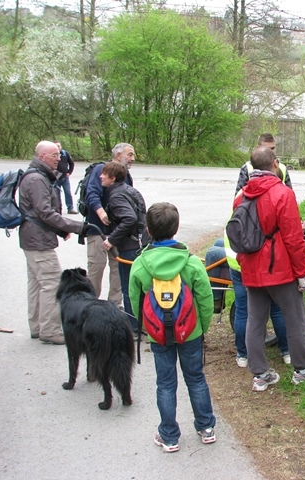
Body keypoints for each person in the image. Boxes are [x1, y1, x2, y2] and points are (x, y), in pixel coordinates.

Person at [236, 146, 305, 391]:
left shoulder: (241, 195)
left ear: (252, 167)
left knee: (255, 321)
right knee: (296, 320)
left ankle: (260, 375)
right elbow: (293, 238)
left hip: (251, 268)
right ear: (275, 164)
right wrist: (302, 274)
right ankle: (302, 370)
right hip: (280, 270)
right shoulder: (282, 193)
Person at [129, 202, 216, 453]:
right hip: (190, 332)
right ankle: (206, 427)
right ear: (176, 229)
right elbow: (206, 301)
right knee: (196, 378)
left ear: (147, 229)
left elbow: (135, 302)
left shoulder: (140, 265)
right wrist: (201, 328)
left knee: (165, 383)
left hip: (159, 335)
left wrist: (148, 328)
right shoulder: (191, 263)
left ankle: (169, 436)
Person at [18, 141, 87, 344]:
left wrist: (60, 229)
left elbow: (40, 213)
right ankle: (49, 330)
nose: (59, 158)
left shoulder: (35, 176)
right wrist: (77, 227)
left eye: (59, 154)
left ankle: (38, 326)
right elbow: (45, 213)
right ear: (42, 157)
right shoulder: (37, 179)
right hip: (38, 240)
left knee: (37, 282)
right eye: (55, 155)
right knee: (51, 283)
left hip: (33, 237)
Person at [205, 239, 290, 367]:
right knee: (276, 308)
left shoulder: (238, 217)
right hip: (269, 261)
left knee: (242, 309)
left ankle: (243, 355)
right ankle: (286, 352)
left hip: (243, 263)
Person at [101, 161, 148, 334]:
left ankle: (133, 326)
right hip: (142, 244)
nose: (101, 176)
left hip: (129, 248)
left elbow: (129, 218)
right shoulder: (131, 190)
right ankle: (143, 323)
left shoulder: (116, 196)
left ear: (113, 178)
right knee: (142, 287)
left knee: (129, 289)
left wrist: (111, 239)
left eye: (104, 174)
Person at [85, 143, 135, 305]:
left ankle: (115, 305)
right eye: (130, 154)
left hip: (117, 233)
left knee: (118, 271)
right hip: (97, 231)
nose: (132, 159)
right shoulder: (101, 170)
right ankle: (90, 306)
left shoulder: (125, 175)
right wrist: (100, 212)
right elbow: (91, 192)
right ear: (118, 155)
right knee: (96, 270)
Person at [53, 141, 77, 214]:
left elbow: (72, 163)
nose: (58, 147)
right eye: (56, 146)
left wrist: (69, 172)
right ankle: (58, 209)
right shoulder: (52, 155)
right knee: (56, 194)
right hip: (55, 178)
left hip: (65, 178)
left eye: (59, 146)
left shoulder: (65, 154)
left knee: (68, 193)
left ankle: (70, 208)